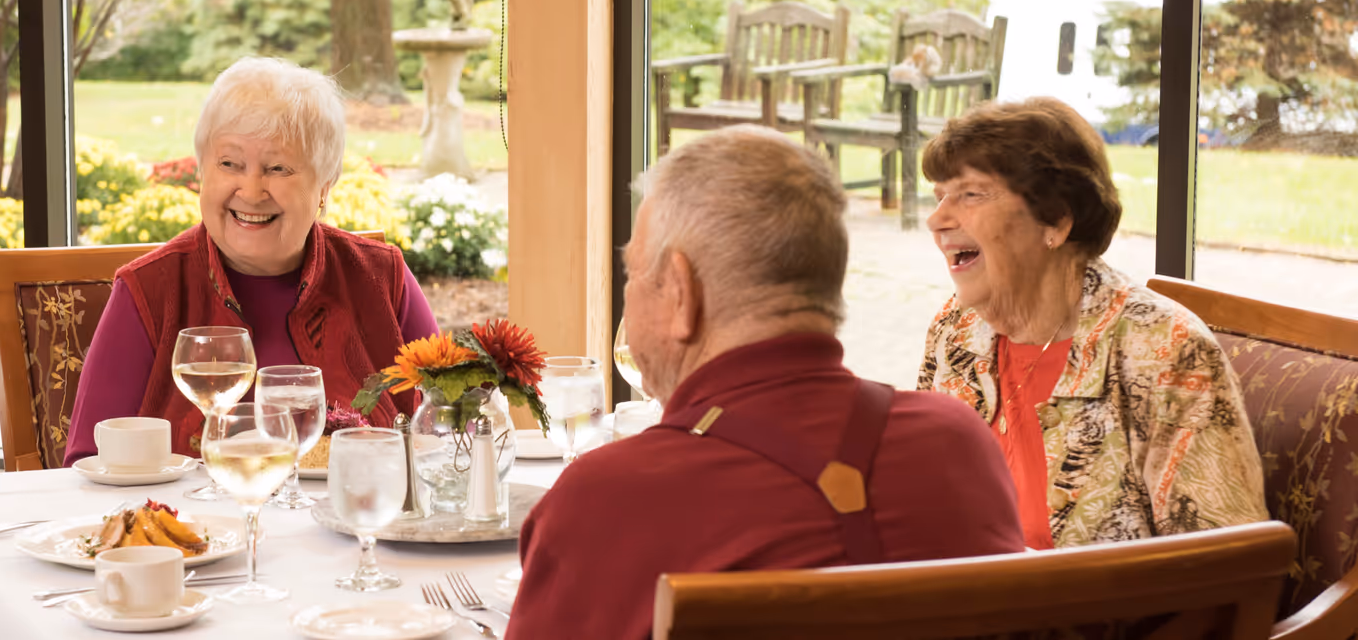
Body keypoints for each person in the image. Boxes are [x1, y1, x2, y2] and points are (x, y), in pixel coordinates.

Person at [509, 127, 1023, 640]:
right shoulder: (958, 444)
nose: (629, 299)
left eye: (634, 275)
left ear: (682, 294)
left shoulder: (610, 498)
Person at [918, 98, 1266, 549]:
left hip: (1100, 616)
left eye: (970, 194)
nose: (936, 219)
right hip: (962, 607)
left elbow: (1226, 565)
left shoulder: (1161, 348)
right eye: (938, 196)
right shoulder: (957, 329)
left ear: (1057, 221)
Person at [64, 57, 438, 462]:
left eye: (278, 168)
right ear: (203, 170)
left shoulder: (381, 277)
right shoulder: (148, 290)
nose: (252, 190)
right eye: (230, 164)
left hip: (362, 520)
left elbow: (455, 430)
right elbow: (88, 463)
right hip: (193, 525)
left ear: (325, 185)